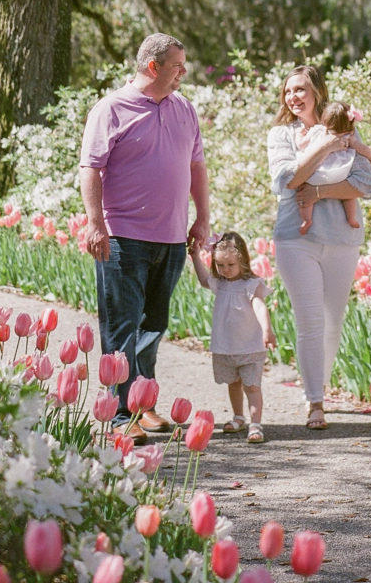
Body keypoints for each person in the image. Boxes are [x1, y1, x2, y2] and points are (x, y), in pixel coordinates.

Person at [79, 32, 210, 442]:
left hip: (170, 238)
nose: (183, 73)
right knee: (122, 328)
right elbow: (90, 169)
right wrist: (95, 223)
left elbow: (197, 167)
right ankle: (122, 416)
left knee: (153, 325)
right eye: (177, 66)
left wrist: (202, 218)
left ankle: (144, 404)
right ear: (152, 67)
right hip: (123, 238)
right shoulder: (110, 109)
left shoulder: (185, 109)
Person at [266, 64, 371, 430]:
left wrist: (317, 191)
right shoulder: (281, 136)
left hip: (342, 240)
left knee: (333, 322)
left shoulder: (347, 127)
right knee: (310, 321)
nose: (293, 97)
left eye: (300, 89)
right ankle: (315, 401)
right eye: (288, 91)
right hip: (295, 239)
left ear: (316, 91)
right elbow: (285, 181)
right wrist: (325, 147)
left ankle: (320, 386)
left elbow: (365, 183)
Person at [189, 229, 276, 443]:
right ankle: (238, 417)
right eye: (220, 265)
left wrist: (267, 329)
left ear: (243, 261)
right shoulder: (220, 284)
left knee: (252, 386)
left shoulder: (250, 285)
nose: (225, 270)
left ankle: (255, 424)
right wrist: (194, 255)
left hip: (250, 346)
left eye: (230, 265)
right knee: (233, 384)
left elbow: (259, 306)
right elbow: (202, 279)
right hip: (226, 346)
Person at [296, 100, 371, 233]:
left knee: (304, 191)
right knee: (348, 195)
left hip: (319, 173)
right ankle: (351, 218)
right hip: (341, 173)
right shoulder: (349, 136)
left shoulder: (318, 131)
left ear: (325, 122)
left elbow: (302, 144)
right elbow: (364, 150)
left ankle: (307, 219)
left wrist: (300, 135)